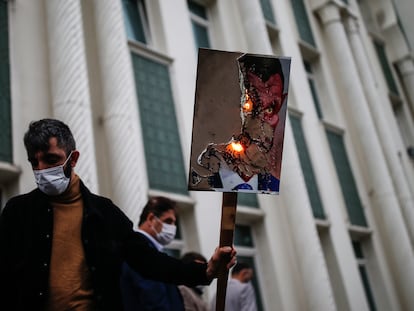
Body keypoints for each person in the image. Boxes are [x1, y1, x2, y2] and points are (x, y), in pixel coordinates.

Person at [0, 118, 236, 311]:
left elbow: (149, 262)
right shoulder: (18, 213)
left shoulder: (104, 214)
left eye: (51, 160)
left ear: (73, 159)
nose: (41, 169)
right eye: (35, 162)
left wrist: (204, 271)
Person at [193, 55, 288, 193]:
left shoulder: (273, 187)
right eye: (247, 107)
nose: (259, 128)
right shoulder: (199, 177)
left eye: (269, 109)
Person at [120, 196, 185, 311]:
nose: (172, 228)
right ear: (150, 219)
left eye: (174, 223)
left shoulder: (149, 250)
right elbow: (154, 302)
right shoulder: (141, 251)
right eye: (168, 221)